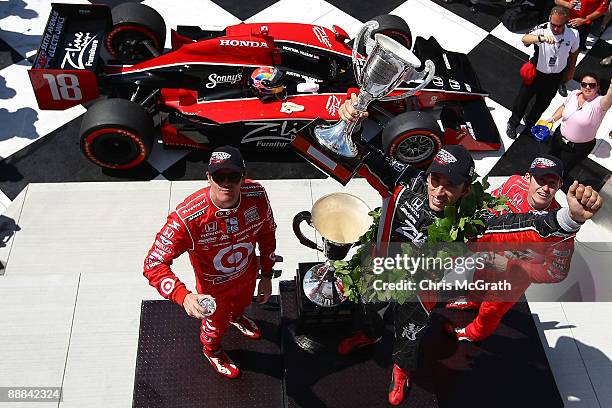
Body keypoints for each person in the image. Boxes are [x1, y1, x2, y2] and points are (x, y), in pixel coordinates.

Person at [335, 96, 603, 406]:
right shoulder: (405, 182)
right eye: (436, 179)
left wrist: (568, 218)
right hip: (379, 269)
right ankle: (369, 334)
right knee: (369, 307)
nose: (439, 190)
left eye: (451, 184)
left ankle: (401, 369)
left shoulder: (475, 218)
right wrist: (351, 124)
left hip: (421, 290)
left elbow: (520, 223)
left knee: (410, 333)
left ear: (466, 189)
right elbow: (366, 157)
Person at [143, 145, 277, 379]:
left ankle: (236, 317)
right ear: (208, 178)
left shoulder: (257, 195)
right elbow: (153, 263)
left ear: (243, 177)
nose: (226, 183)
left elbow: (267, 235)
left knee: (243, 304)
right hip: (214, 290)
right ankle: (211, 350)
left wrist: (266, 275)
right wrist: (183, 295)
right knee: (214, 327)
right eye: (219, 176)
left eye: (233, 176)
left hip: (247, 275)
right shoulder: (187, 217)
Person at [446, 154, 576, 342]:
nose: (545, 188)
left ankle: (474, 334)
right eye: (540, 180)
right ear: (528, 177)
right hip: (488, 257)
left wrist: (514, 265)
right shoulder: (513, 184)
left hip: (513, 277)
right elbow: (488, 208)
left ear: (559, 186)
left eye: (552, 183)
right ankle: (474, 299)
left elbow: (556, 272)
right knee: (479, 280)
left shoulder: (559, 225)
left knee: (490, 310)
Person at [507, 6, 580, 139]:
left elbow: (574, 53)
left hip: (555, 76)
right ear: (549, 19)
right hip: (536, 73)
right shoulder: (542, 29)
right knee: (522, 100)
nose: (556, 29)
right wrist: (541, 38)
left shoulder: (573, 34)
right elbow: (525, 39)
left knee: (543, 103)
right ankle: (513, 123)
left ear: (566, 21)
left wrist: (571, 71)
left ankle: (530, 122)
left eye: (560, 25)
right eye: (554, 24)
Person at [546, 73, 612, 181]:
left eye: (592, 85)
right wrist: (553, 119)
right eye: (584, 84)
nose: (587, 87)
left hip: (577, 148)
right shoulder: (574, 94)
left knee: (561, 170)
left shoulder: (599, 104)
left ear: (598, 87)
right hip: (559, 137)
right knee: (550, 160)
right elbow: (563, 106)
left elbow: (609, 97)